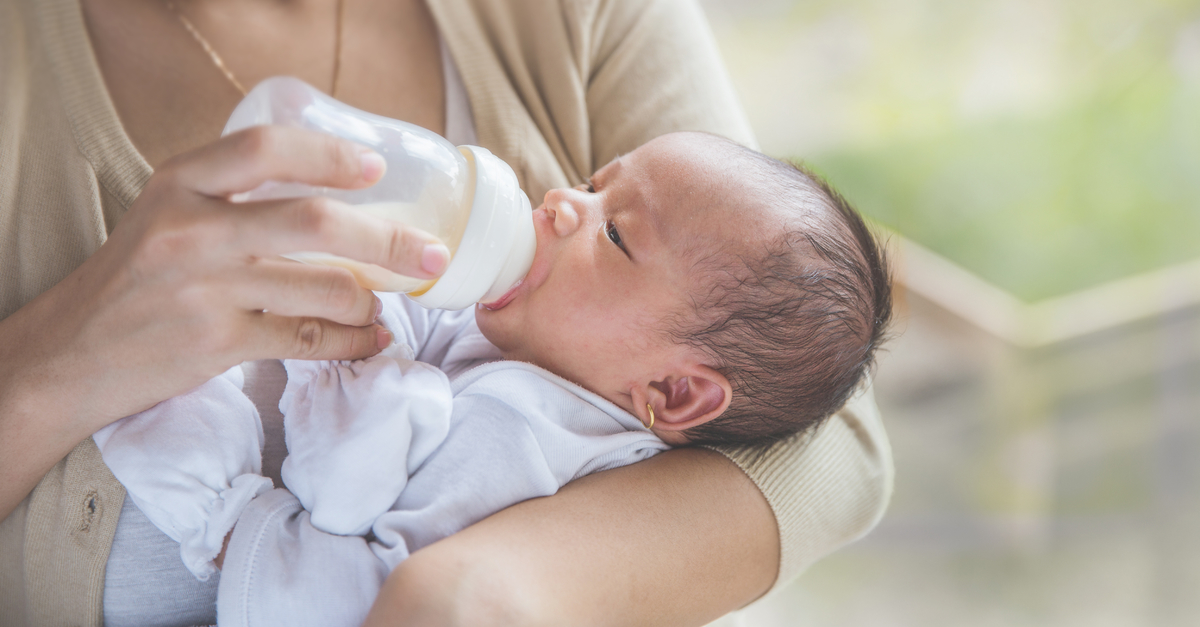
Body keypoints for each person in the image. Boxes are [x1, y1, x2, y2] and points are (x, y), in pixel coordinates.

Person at [0, 0, 894, 625]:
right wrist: (64, 355)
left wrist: (476, 588)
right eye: (588, 181)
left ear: (674, 391)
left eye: (614, 234)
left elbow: (832, 443)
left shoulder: (534, 426)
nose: (557, 202)